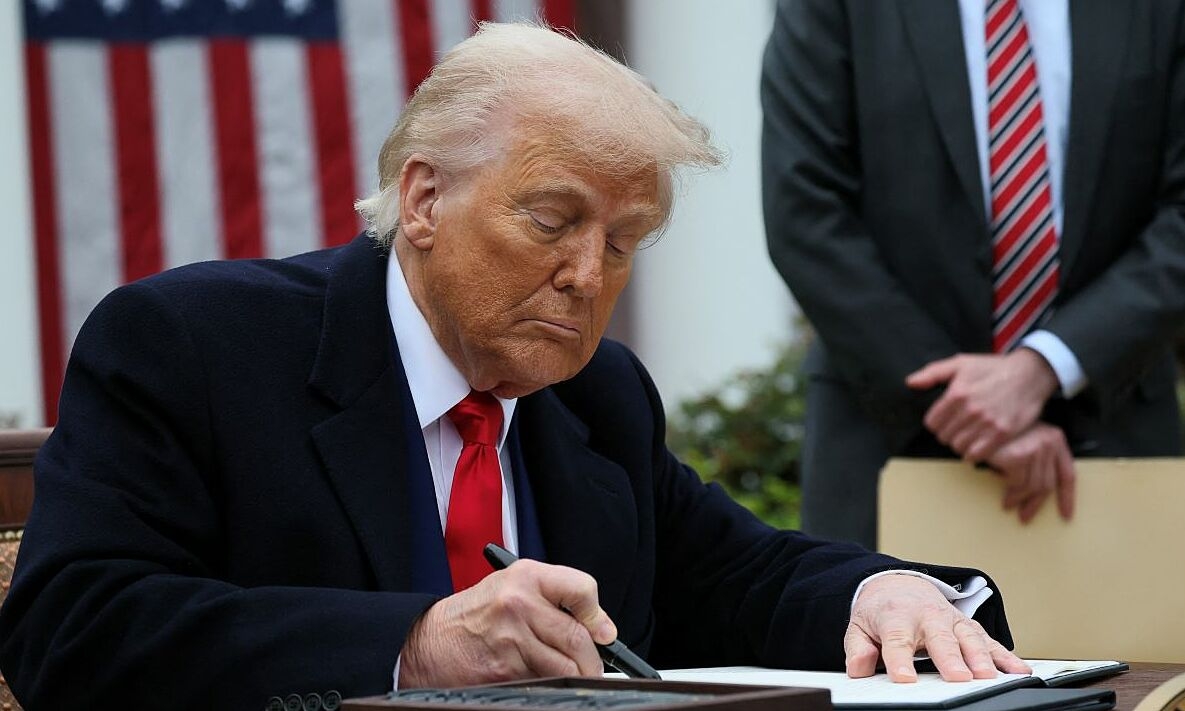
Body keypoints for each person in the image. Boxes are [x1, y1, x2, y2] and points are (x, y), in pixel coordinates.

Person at [0, 23, 1027, 710]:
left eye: (621, 242)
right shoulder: (193, 344)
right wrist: (414, 644)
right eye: (551, 220)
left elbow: (736, 573)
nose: (586, 274)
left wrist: (880, 591)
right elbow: (72, 631)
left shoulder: (598, 394)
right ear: (424, 199)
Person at [761, 0, 1185, 549]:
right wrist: (963, 404)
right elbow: (804, 214)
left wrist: (1044, 366)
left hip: (1114, 430)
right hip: (888, 432)